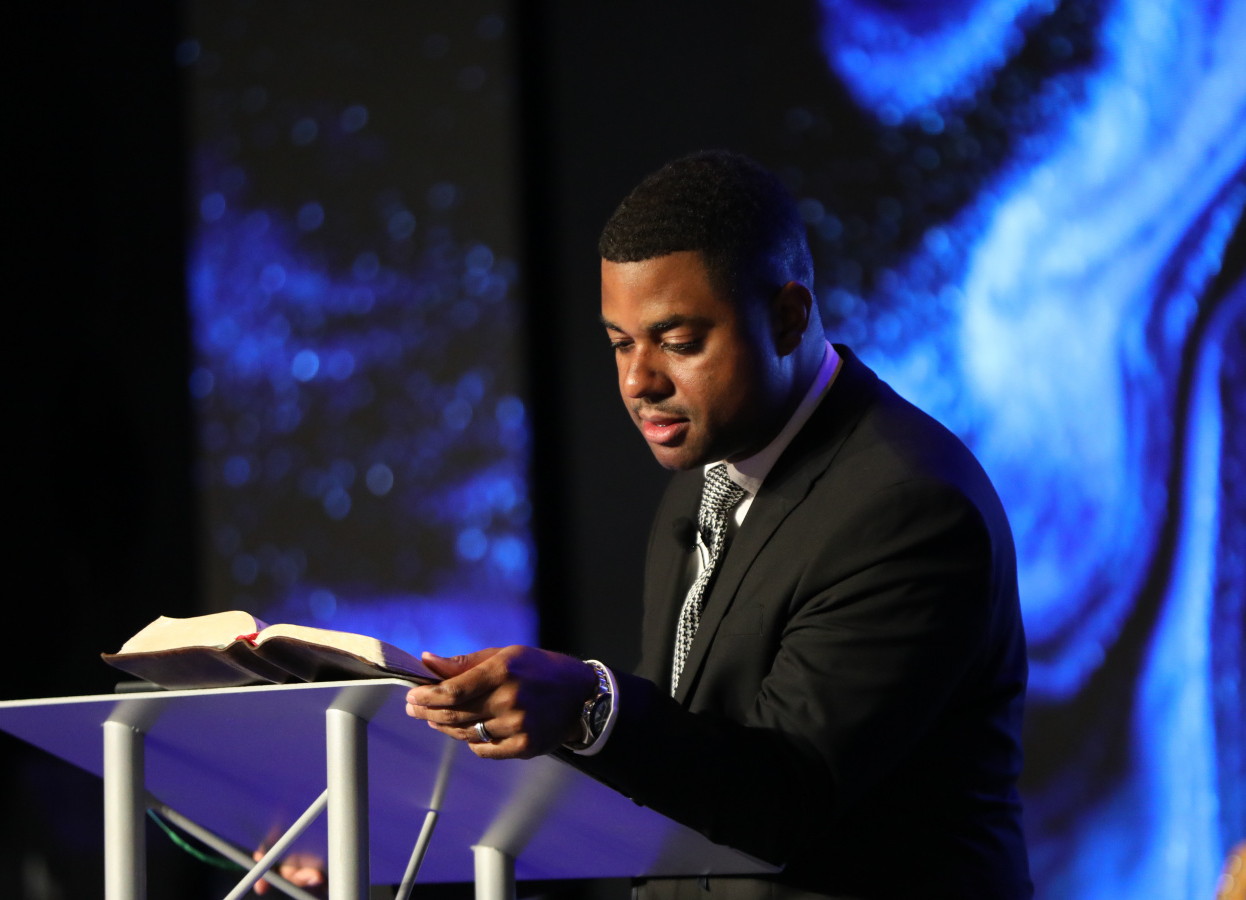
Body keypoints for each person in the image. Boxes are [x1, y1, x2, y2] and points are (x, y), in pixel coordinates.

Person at [405, 149, 1032, 900]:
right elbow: (687, 763)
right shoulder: (706, 477)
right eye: (620, 343)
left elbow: (785, 795)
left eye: (677, 342)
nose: (637, 381)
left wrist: (589, 705)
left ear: (787, 318)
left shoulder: (906, 508)